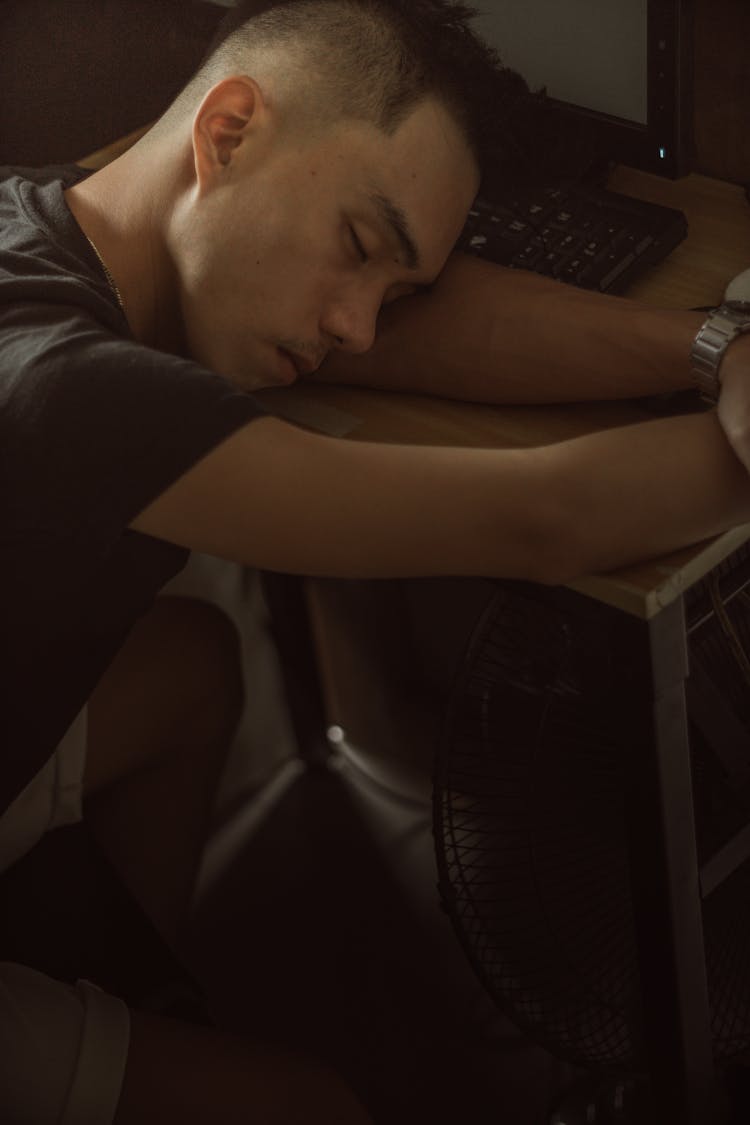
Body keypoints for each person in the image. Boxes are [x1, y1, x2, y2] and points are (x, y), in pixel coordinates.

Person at [1, 0, 749, 1122]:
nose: (357, 329)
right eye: (359, 245)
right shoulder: (78, 394)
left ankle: (139, 1010)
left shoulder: (51, 215)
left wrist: (719, 344)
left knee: (195, 667)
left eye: (392, 287)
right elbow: (547, 522)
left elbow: (411, 331)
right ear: (232, 131)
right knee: (315, 1107)